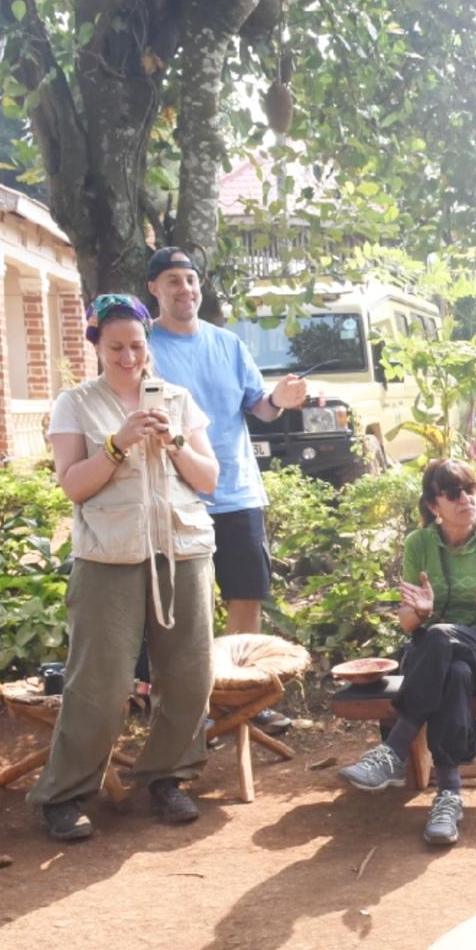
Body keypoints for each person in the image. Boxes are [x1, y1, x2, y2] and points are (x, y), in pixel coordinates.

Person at [31, 294, 221, 840]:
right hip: (107, 555)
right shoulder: (76, 402)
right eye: (115, 347)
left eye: (137, 346)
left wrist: (174, 439)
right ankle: (64, 795)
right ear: (96, 345)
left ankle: (168, 777)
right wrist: (116, 445)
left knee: (188, 672)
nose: (128, 357)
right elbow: (72, 484)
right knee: (102, 681)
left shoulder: (177, 398)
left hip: (181, 549)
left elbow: (208, 479)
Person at [145, 246, 311, 733]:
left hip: (237, 491)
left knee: (245, 596)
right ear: (154, 289)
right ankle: (188, 711)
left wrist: (279, 399)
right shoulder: (145, 347)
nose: (185, 289)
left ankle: (246, 701)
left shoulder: (228, 343)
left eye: (191, 280)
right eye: (173, 281)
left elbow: (259, 408)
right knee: (178, 610)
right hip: (175, 496)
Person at [337, 459, 476, 846]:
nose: (466, 499)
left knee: (441, 640)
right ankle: (449, 796)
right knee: (453, 670)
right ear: (433, 506)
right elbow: (407, 624)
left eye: (470, 489)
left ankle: (395, 748)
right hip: (439, 660)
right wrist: (417, 611)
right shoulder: (419, 544)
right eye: (453, 493)